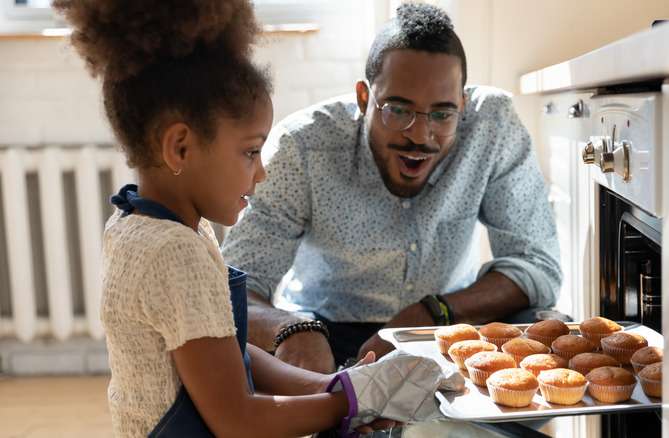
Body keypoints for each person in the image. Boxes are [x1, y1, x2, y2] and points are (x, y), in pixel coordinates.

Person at [53, 0, 463, 436]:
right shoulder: (175, 253)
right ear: (180, 148)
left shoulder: (140, 223)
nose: (262, 172)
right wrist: (350, 403)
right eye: (250, 151)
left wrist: (333, 385)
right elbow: (237, 419)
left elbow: (229, 353)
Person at [222, 1, 563, 375]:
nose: (420, 135)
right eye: (398, 110)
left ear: (462, 105)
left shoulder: (492, 125)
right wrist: (291, 330)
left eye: (442, 113)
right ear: (364, 98)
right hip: (323, 329)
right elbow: (234, 283)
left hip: (448, 321)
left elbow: (537, 265)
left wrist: (430, 312)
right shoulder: (301, 147)